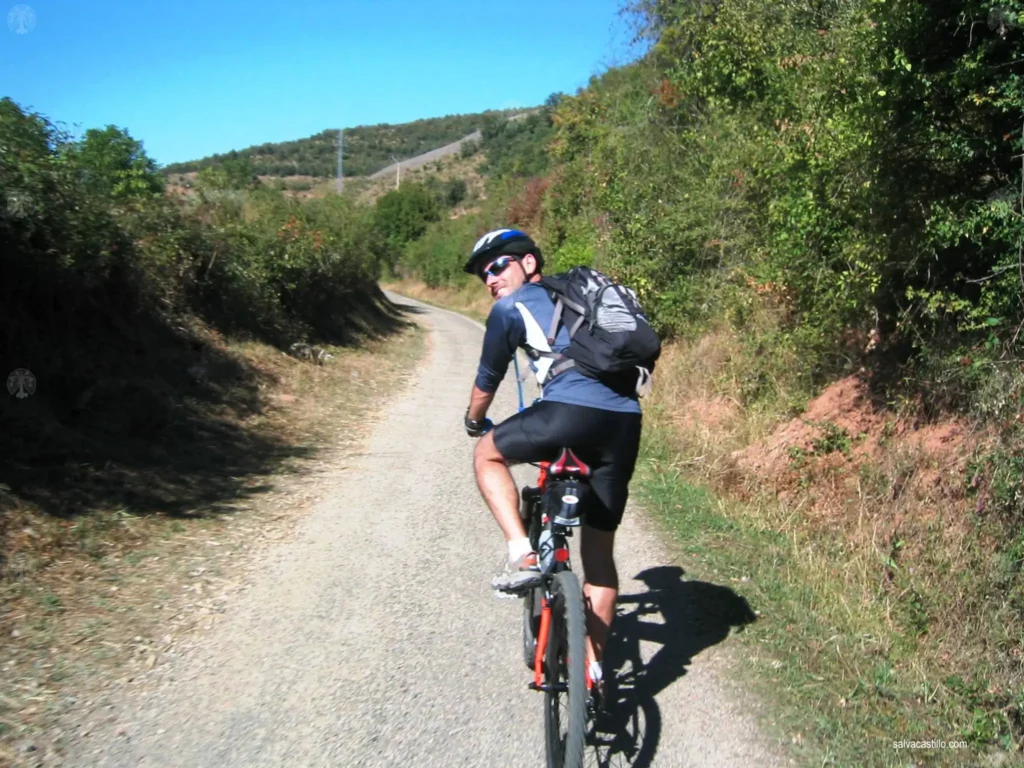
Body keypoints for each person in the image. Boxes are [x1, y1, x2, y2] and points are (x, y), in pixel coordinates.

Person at [462, 227, 643, 689]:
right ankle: (592, 668)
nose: (490, 278)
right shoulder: (588, 297)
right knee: (599, 555)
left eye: (498, 265)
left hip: (566, 415)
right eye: (484, 273)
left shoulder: (509, 309)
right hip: (624, 424)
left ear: (528, 262)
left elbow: (488, 379)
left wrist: (472, 419)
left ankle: (523, 555)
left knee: (487, 454)